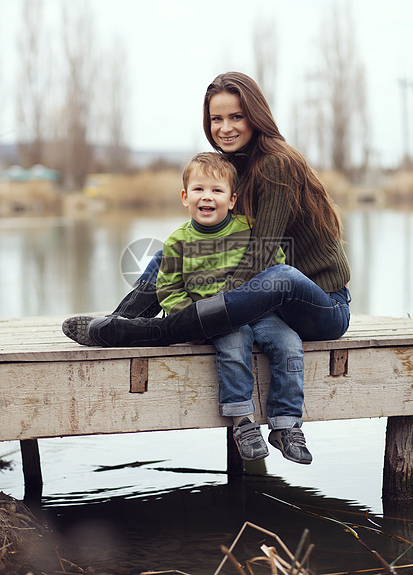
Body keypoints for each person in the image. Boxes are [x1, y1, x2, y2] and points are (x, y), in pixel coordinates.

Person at [62, 71, 351, 464]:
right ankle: (122, 322)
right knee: (174, 249)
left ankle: (157, 331)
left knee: (280, 276)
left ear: (256, 116)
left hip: (319, 306)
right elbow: (218, 243)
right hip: (261, 302)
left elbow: (262, 256)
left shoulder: (276, 164)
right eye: (217, 119)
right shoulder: (231, 167)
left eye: (236, 117)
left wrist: (207, 299)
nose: (225, 127)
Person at [155, 151, 291, 462]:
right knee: (234, 343)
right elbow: (169, 290)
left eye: (217, 190)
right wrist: (193, 319)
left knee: (289, 343)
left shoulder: (249, 229)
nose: (207, 197)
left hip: (261, 312)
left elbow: (275, 268)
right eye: (199, 189)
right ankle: (242, 420)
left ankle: (287, 422)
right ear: (184, 197)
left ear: (232, 200)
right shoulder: (177, 241)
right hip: (217, 320)